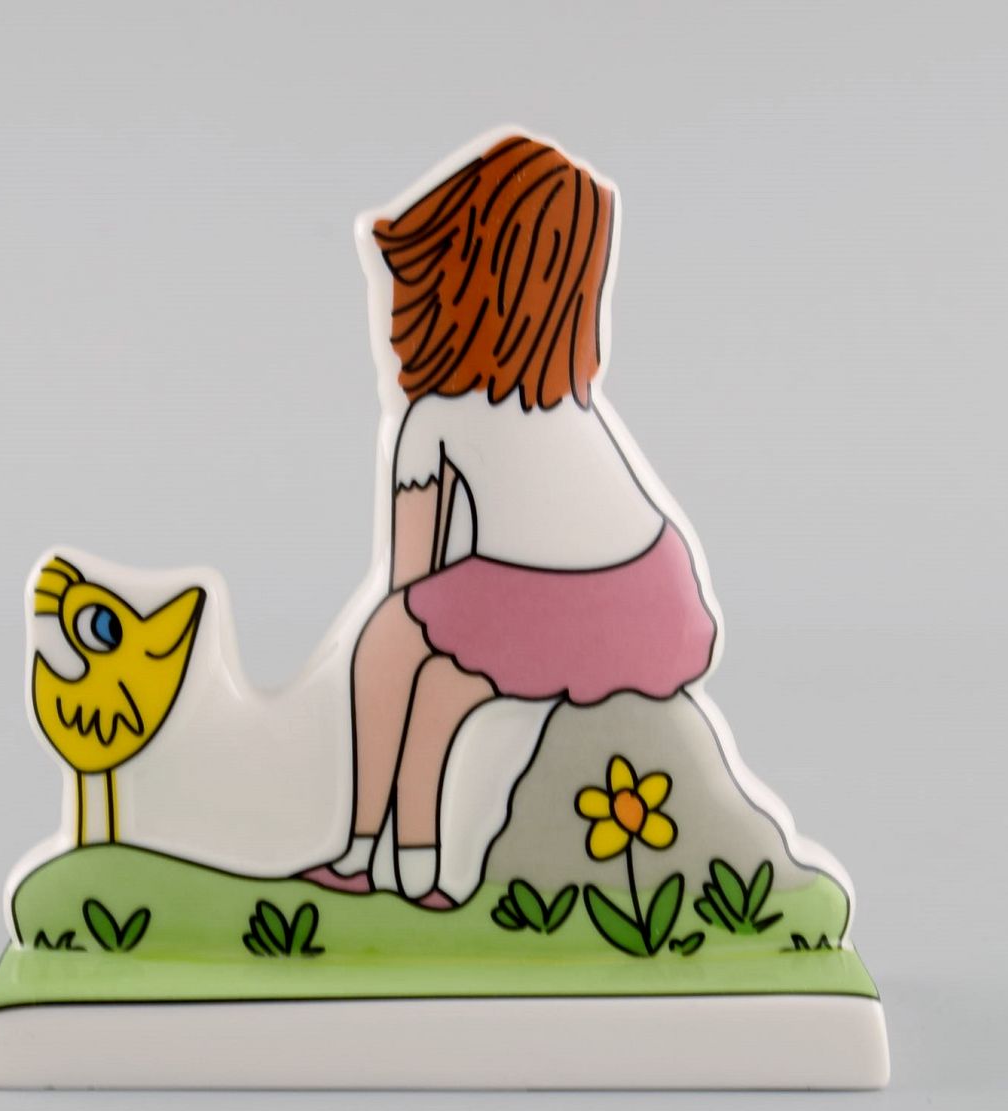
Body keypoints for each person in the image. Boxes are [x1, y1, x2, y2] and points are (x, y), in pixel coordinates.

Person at [303, 135, 717, 905]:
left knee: (392, 641)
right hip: (655, 590)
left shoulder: (433, 420)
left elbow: (408, 584)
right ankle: (420, 870)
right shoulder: (571, 409)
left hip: (548, 596)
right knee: (441, 682)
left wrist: (419, 622)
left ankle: (365, 851)